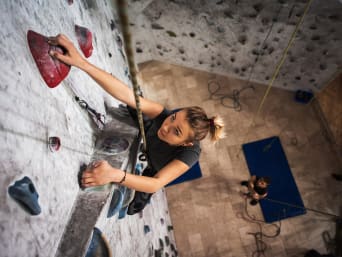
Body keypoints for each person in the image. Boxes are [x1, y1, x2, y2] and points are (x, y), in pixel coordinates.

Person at [48, 34, 225, 213]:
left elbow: (156, 183)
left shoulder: (190, 154)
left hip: (154, 166)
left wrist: (115, 175)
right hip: (147, 133)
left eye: (176, 131)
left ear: (186, 142)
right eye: (173, 118)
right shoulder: (166, 118)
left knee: (134, 205)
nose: (166, 127)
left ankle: (136, 201)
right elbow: (127, 95)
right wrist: (80, 62)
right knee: (134, 105)